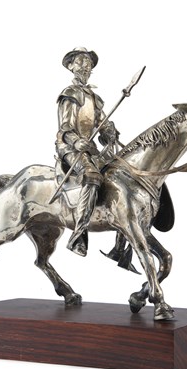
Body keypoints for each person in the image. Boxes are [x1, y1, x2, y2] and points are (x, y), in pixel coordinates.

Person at [56, 47, 118, 257]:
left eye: (88, 63)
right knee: (92, 176)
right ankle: (78, 236)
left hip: (91, 150)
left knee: (121, 175)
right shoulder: (70, 94)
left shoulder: (95, 98)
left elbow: (101, 126)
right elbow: (65, 128)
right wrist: (76, 141)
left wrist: (110, 131)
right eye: (80, 62)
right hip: (70, 148)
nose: (85, 66)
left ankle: (120, 247)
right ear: (71, 66)